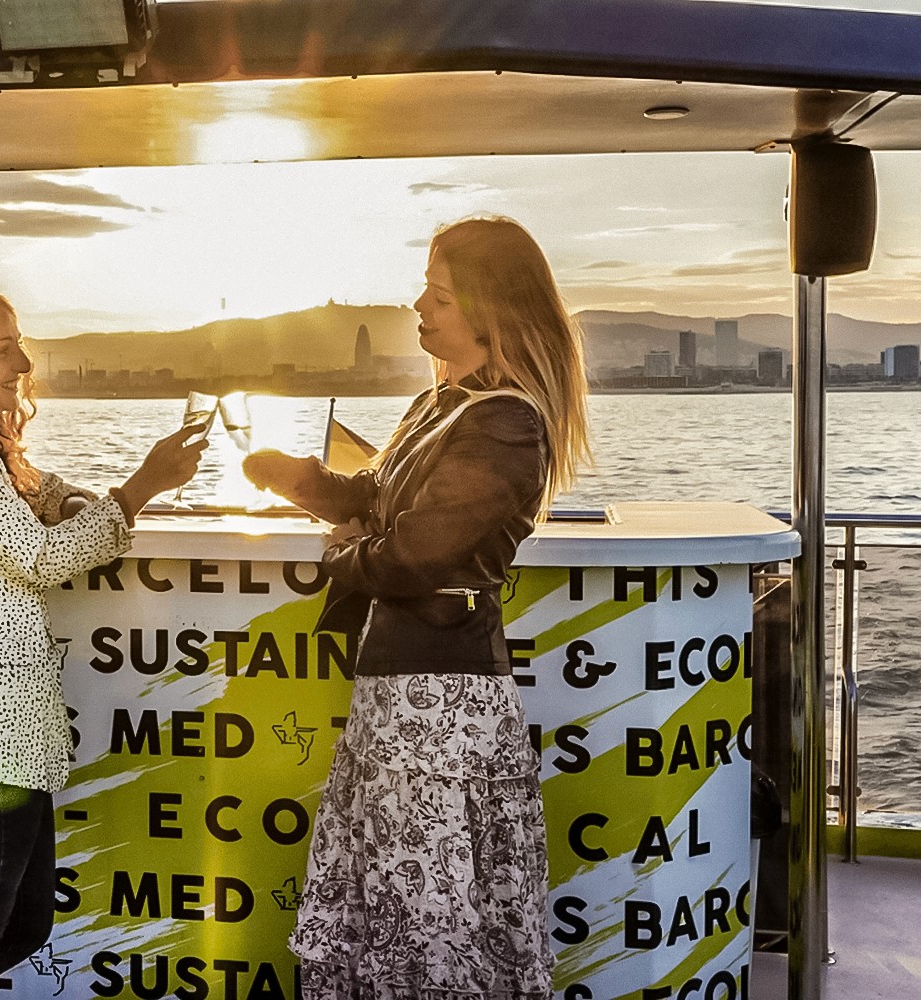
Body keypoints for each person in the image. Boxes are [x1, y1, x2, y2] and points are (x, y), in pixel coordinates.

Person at [244, 216, 590, 1000]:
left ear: (488, 311)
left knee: (425, 926)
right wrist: (285, 475)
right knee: (400, 917)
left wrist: (340, 553)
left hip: (440, 708)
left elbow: (414, 553)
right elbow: (372, 498)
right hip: (401, 697)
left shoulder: (504, 420)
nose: (418, 308)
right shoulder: (442, 406)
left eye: (437, 295)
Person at [0, 279, 205, 1000]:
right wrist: (138, 487)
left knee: (20, 923)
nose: (23, 362)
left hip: (2, 714)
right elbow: (39, 557)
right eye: (4, 347)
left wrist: (76, 500)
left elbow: (41, 492)